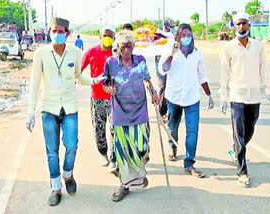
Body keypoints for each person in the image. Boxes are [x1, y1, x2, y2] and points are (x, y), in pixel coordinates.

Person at [26, 17, 104, 206]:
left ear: (67, 34)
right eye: (54, 30)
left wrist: (97, 79)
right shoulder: (41, 54)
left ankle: (68, 175)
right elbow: (35, 83)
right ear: (49, 32)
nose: (57, 34)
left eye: (61, 31)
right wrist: (30, 113)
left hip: (69, 106)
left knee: (72, 145)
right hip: (49, 108)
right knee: (52, 151)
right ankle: (55, 188)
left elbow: (78, 77)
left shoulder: (75, 53)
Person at [220, 12, 270, 188]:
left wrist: (268, 90)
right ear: (233, 26)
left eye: (244, 23)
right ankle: (242, 171)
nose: (241, 27)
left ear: (249, 25)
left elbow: (264, 68)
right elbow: (224, 73)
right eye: (237, 24)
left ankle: (237, 149)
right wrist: (223, 96)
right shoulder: (228, 48)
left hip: (254, 97)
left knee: (249, 130)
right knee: (239, 133)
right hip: (237, 96)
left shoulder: (258, 46)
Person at [103, 30, 158, 202]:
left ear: (133, 46)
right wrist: (108, 89)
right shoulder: (110, 62)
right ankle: (125, 184)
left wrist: (154, 93)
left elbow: (147, 79)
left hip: (140, 110)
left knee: (141, 146)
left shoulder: (140, 60)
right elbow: (105, 83)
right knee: (123, 151)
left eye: (129, 46)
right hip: (120, 112)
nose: (126, 50)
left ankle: (138, 175)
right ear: (117, 47)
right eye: (122, 47)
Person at [158, 23, 214, 177]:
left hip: (192, 98)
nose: (186, 37)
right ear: (178, 36)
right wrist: (171, 53)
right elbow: (162, 69)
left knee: (192, 132)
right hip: (174, 97)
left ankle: (189, 163)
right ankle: (172, 146)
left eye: (189, 35)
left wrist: (209, 95)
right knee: (172, 127)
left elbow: (202, 76)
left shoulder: (197, 54)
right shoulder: (171, 49)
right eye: (183, 35)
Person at [81, 26, 116, 173]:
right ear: (100, 36)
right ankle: (103, 153)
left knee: (115, 129)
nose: (107, 38)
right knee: (99, 129)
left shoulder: (117, 53)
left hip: (115, 98)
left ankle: (113, 159)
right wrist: (91, 80)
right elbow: (79, 71)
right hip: (97, 98)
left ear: (114, 38)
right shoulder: (91, 52)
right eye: (105, 35)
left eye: (110, 36)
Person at [155, 18, 176, 122]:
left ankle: (166, 111)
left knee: (169, 87)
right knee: (163, 86)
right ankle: (162, 112)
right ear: (166, 27)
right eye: (171, 27)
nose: (173, 29)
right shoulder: (160, 37)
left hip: (171, 63)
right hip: (160, 63)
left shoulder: (173, 37)